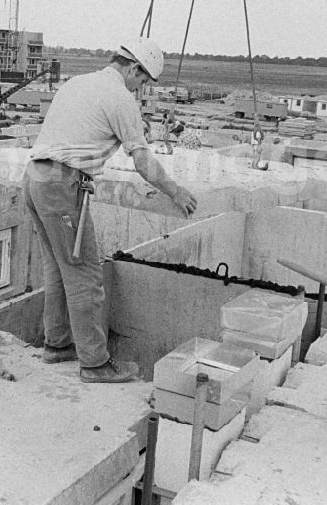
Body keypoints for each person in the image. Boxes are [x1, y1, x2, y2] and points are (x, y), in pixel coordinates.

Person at [25, 37, 198, 382]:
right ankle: (95, 363)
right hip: (62, 186)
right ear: (134, 69)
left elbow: (85, 127)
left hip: (34, 178)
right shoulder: (120, 98)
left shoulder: (80, 82)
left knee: (59, 270)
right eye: (143, 81)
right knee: (85, 276)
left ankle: (57, 345)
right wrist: (176, 192)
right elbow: (144, 164)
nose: (141, 90)